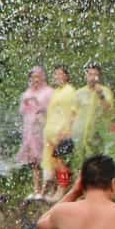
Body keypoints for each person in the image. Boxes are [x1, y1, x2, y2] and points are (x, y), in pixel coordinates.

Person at [17, 66, 52, 198]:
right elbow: (22, 111)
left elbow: (51, 109)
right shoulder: (26, 93)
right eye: (33, 77)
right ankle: (36, 189)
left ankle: (47, 189)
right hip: (29, 130)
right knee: (33, 161)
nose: (35, 80)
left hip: (43, 128)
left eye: (38, 77)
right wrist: (26, 103)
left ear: (42, 77)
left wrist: (39, 104)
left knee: (47, 158)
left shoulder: (48, 91)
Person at [41, 66, 78, 196]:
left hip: (63, 133)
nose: (57, 76)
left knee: (59, 161)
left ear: (66, 76)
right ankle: (55, 188)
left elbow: (74, 112)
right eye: (55, 74)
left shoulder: (70, 91)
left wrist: (67, 129)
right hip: (50, 134)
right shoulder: (55, 92)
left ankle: (61, 190)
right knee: (52, 162)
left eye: (60, 74)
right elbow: (53, 112)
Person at [72, 63, 115, 161]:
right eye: (90, 74)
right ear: (86, 76)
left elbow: (108, 111)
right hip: (80, 135)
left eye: (95, 75)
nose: (92, 77)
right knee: (81, 165)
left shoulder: (105, 91)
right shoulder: (79, 93)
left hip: (97, 134)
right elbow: (73, 114)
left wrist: (100, 95)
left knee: (96, 163)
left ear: (99, 77)